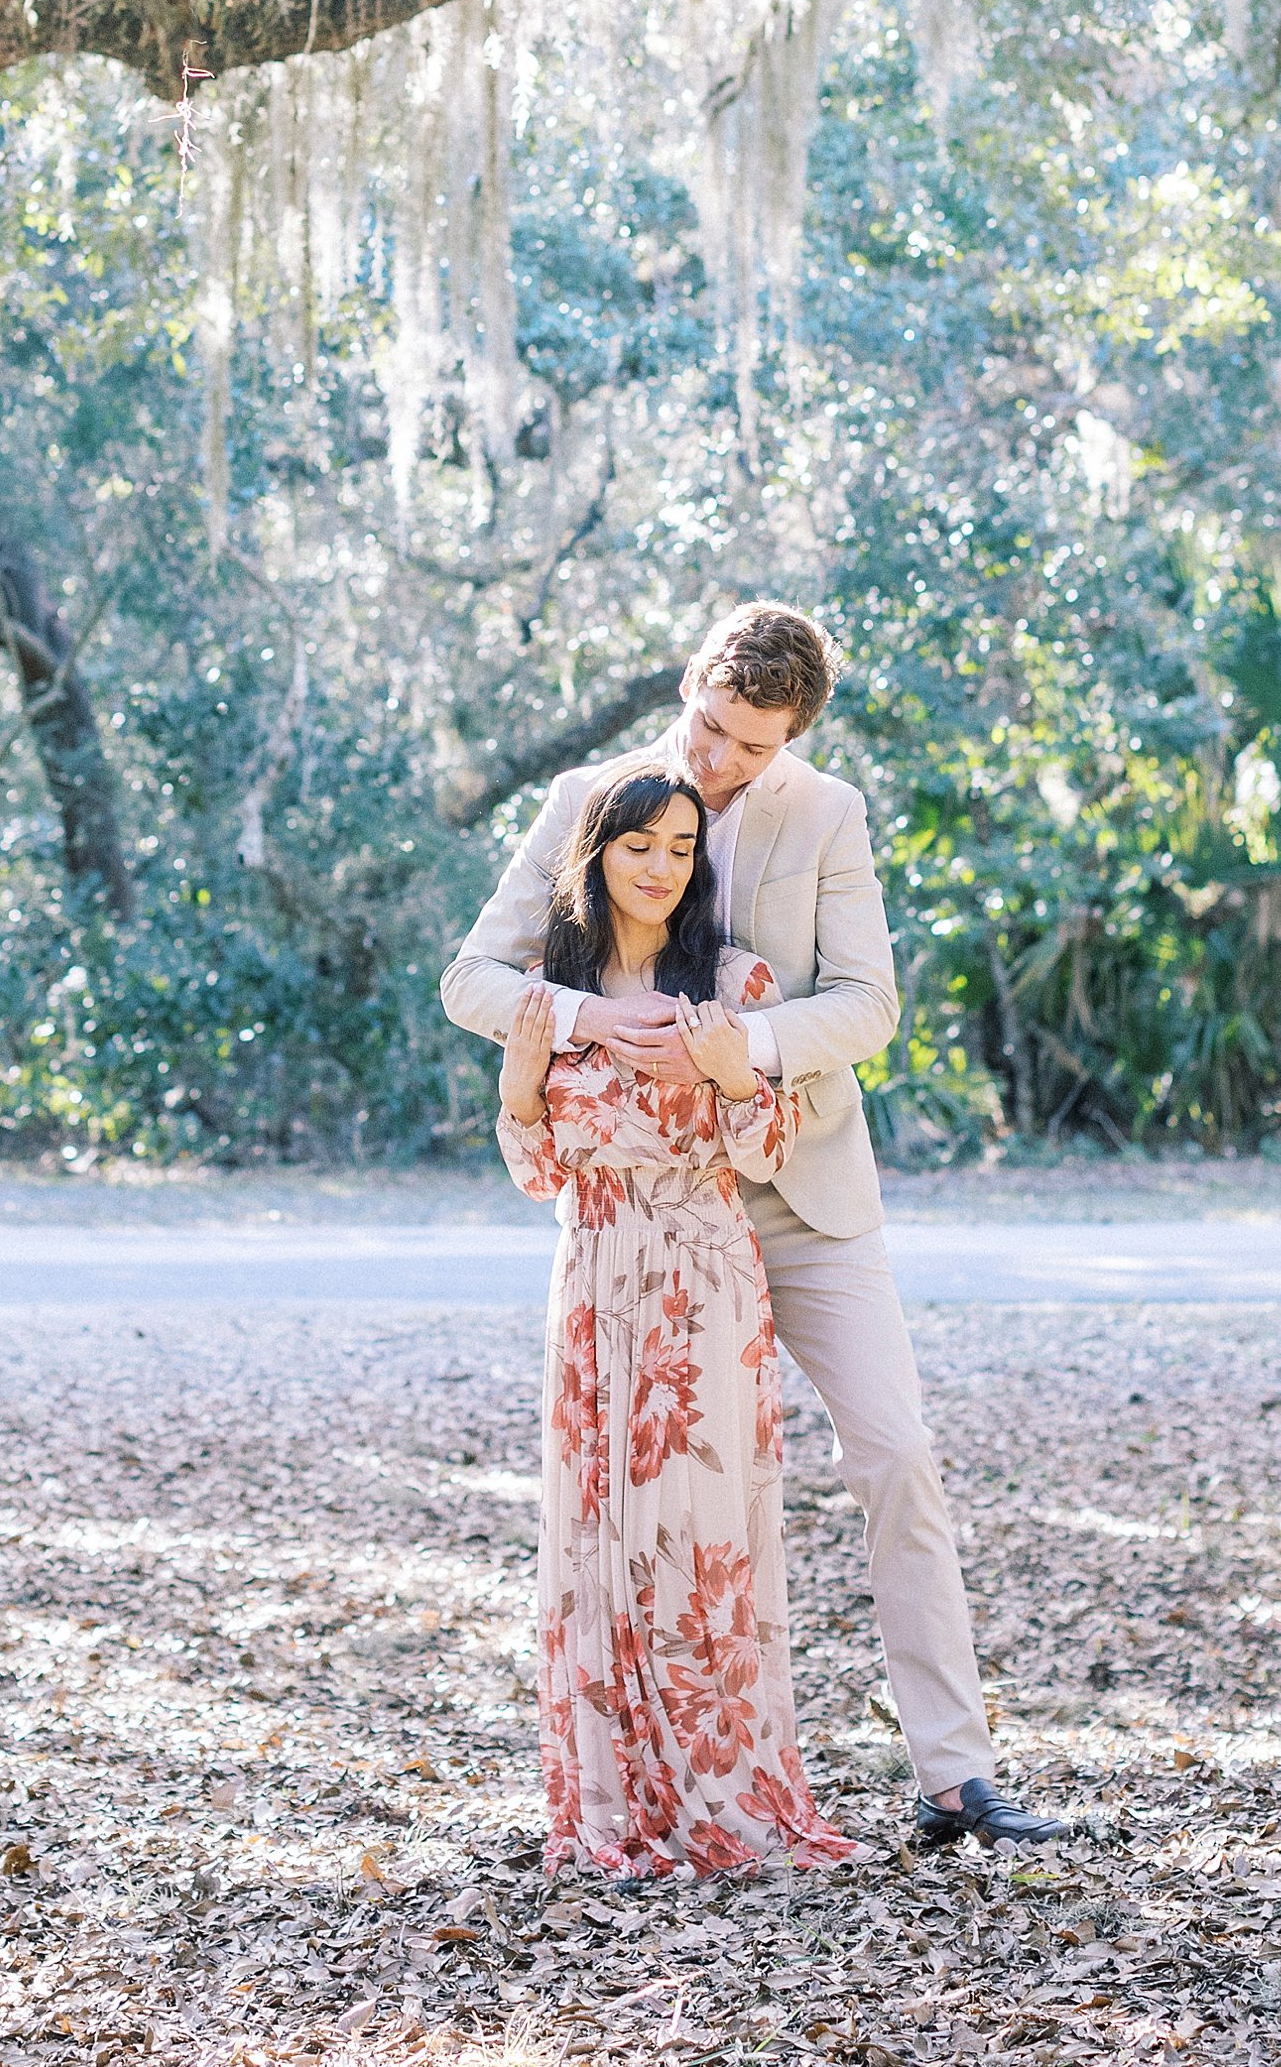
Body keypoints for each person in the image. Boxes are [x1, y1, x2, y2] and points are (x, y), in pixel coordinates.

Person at [447, 599, 1065, 1852]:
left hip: (796, 1187)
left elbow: (869, 1003)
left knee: (895, 1453)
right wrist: (580, 1020)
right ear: (686, 684)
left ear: (791, 735)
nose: (716, 760)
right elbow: (475, 979)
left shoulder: (825, 813)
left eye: (748, 745)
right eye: (708, 726)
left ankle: (955, 1776)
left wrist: (746, 1051)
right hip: (647, 1221)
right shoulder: (591, 793)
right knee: (634, 1502)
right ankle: (642, 1776)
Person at [494, 763, 857, 1878]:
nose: (658, 866)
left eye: (679, 846)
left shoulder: (733, 980)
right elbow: (536, 1167)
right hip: (592, 1271)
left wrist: (730, 1068)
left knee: (697, 1541)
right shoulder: (554, 988)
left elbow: (765, 1153)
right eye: (635, 844)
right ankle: (609, 1800)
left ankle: (718, 1789)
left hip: (702, 1275)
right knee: (595, 1540)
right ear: (595, 852)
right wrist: (518, 1079)